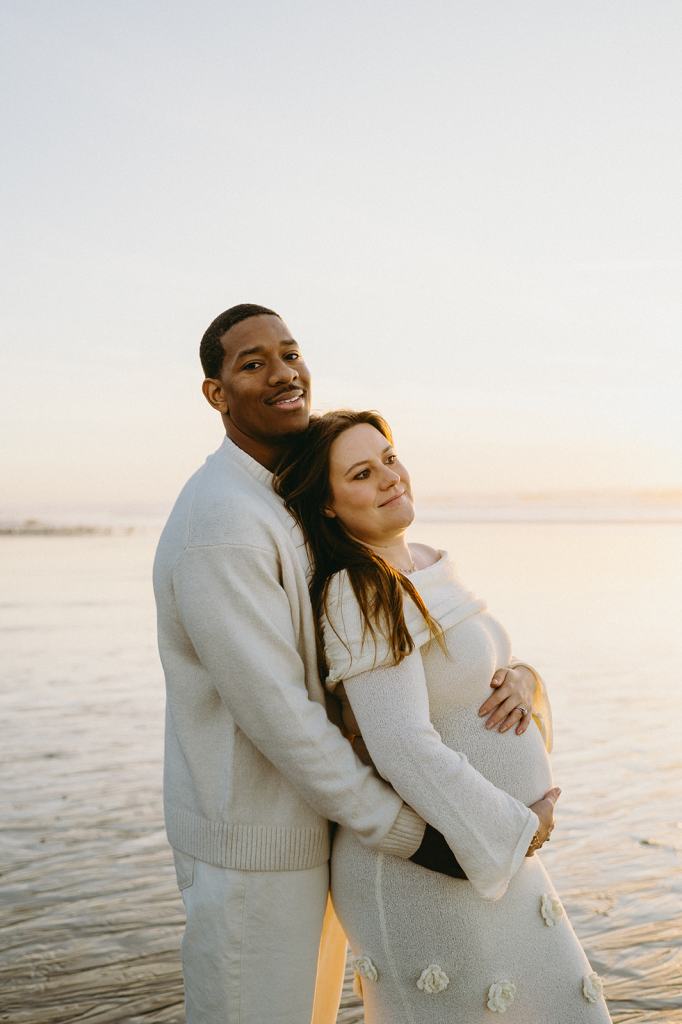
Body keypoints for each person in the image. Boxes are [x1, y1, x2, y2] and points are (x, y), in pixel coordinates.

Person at [153, 305, 558, 1024]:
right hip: (260, 855)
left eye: (290, 352)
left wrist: (522, 677)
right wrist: (414, 836)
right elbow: (282, 719)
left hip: (330, 833)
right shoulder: (223, 524)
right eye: (252, 363)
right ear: (216, 394)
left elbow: (404, 659)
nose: (282, 373)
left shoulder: (287, 498)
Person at [275, 409, 612, 1023]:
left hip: (491, 858)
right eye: (361, 473)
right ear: (327, 505)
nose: (388, 477)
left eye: (389, 458)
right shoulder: (360, 590)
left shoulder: (427, 563)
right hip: (433, 870)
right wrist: (513, 828)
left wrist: (524, 677)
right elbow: (400, 745)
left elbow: (467, 675)